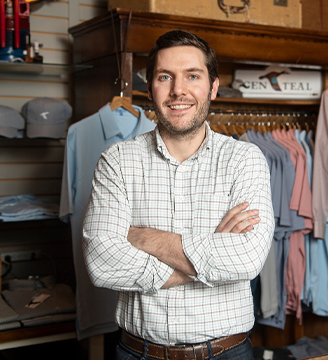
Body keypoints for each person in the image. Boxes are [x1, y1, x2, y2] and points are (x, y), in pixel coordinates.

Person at [83, 29, 275, 360]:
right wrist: (207, 262)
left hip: (226, 353)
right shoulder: (117, 160)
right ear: (150, 86)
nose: (178, 90)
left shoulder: (246, 159)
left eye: (192, 76)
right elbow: (101, 262)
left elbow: (246, 259)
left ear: (213, 87)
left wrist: (142, 237)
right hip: (138, 353)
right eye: (164, 77)